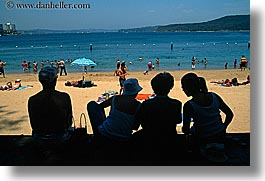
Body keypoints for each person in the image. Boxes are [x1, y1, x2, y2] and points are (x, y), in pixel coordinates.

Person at [181, 73, 234, 159]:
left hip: (203, 137)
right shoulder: (214, 96)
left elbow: (186, 130)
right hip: (219, 134)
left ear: (189, 87)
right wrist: (224, 127)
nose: (182, 89)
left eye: (183, 86)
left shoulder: (189, 105)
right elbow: (230, 114)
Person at [134, 72, 182, 164]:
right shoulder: (176, 104)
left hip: (150, 139)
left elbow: (138, 123)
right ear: (171, 87)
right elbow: (178, 120)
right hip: (170, 139)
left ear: (153, 88)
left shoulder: (147, 104)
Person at [87, 78, 142, 143]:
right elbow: (135, 127)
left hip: (104, 133)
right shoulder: (138, 105)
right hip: (124, 138)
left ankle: (103, 128)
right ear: (136, 92)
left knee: (92, 104)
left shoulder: (115, 98)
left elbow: (100, 106)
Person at [28, 66, 73, 146]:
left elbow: (33, 124)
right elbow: (69, 122)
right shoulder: (64, 97)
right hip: (60, 137)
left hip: (40, 138)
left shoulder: (32, 100)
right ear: (55, 80)